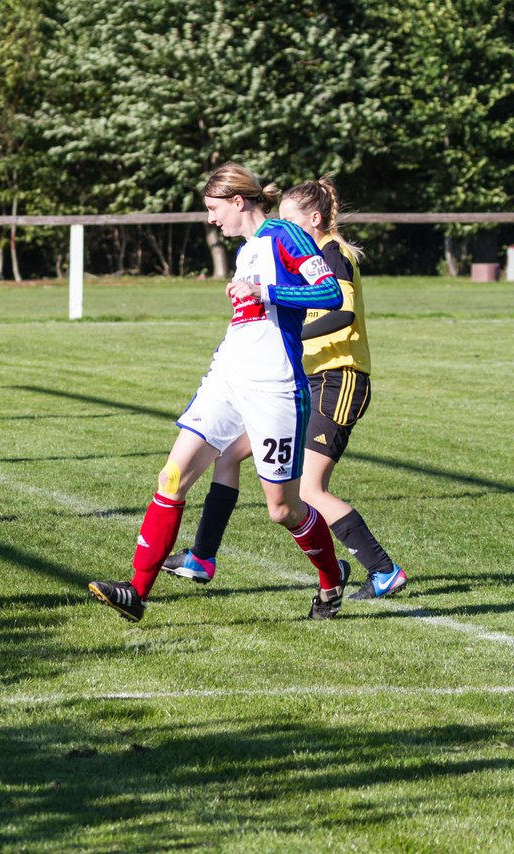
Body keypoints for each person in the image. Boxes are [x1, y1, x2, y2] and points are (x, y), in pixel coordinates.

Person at [87, 162, 351, 623]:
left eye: (213, 209)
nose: (211, 220)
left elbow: (330, 296)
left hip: (275, 388)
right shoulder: (245, 250)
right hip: (227, 379)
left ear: (237, 201)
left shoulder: (286, 236)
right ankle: (136, 592)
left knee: (283, 510)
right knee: (172, 477)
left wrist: (265, 289)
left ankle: (331, 583)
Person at [162, 178, 407, 600]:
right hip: (300, 379)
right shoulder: (286, 249)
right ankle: (201, 557)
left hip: (338, 378)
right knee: (226, 454)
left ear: (314, 219)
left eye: (292, 221)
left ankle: (383, 570)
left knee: (309, 490)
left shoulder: (333, 254)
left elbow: (341, 312)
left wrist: (288, 330)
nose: (283, 230)